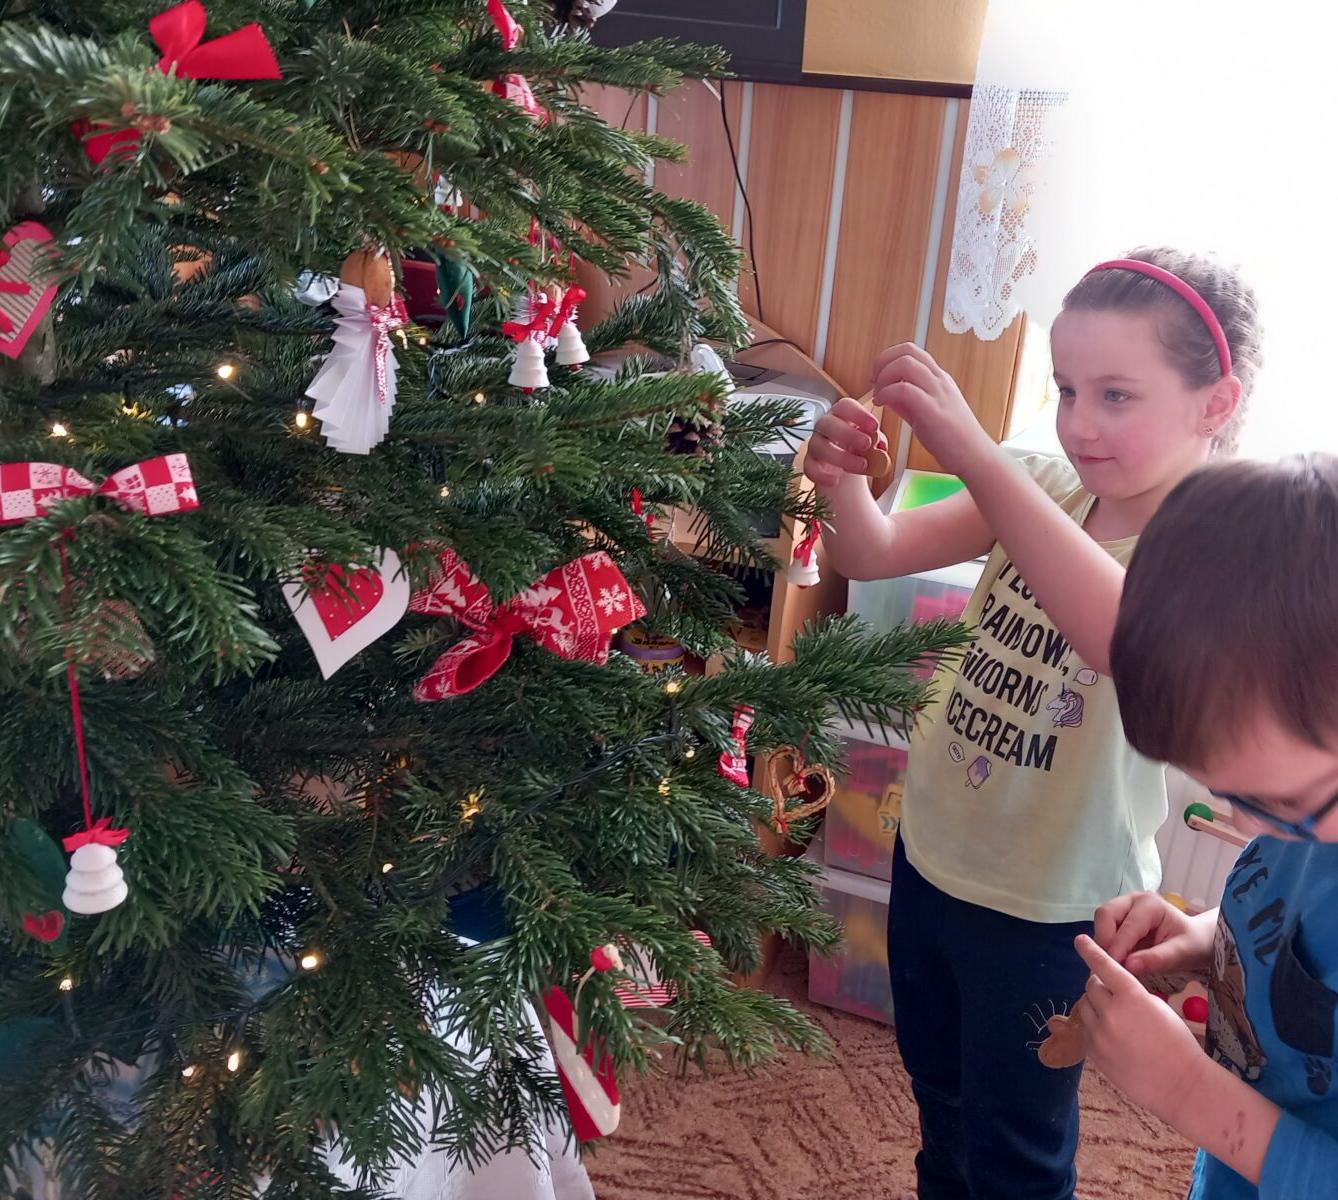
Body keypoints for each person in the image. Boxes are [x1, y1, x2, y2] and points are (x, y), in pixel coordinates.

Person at [803, 248, 1262, 1199]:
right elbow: (873, 550)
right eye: (1064, 388)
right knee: (942, 1103)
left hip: (1055, 910)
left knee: (1017, 1147)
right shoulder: (1044, 483)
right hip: (935, 854)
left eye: (1116, 396)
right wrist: (839, 474)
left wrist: (972, 449)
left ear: (1215, 404)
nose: (1078, 422)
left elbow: (1117, 639)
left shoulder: (1211, 548)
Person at [1075, 454, 1338, 1200]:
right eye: (1228, 794)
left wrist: (1187, 1091)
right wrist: (1207, 937)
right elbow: (1299, 925)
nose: (1240, 820)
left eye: (1273, 802)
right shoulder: (1311, 810)